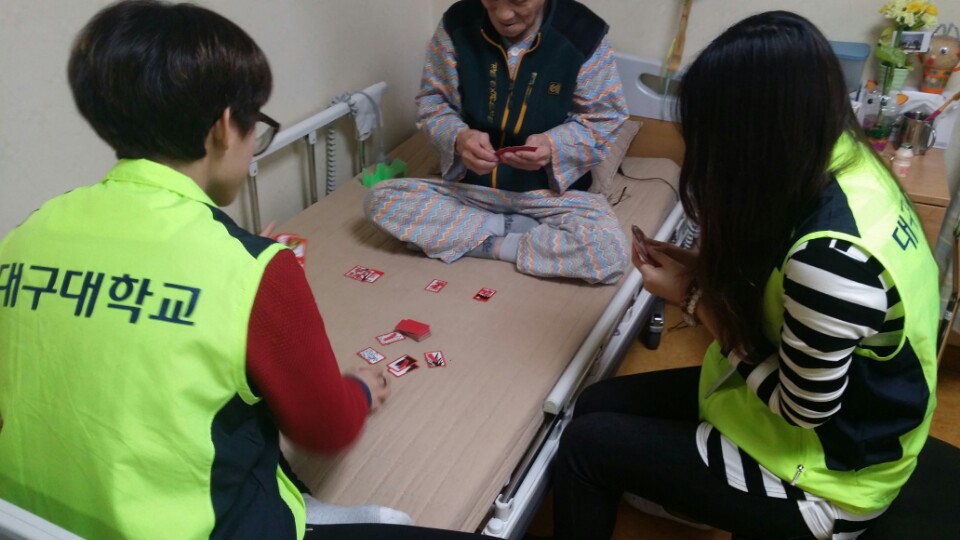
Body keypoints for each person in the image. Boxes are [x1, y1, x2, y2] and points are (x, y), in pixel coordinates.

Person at [0, 2, 480, 539]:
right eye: (257, 124)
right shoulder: (252, 270)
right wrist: (360, 388)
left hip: (29, 523)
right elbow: (326, 428)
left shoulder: (27, 234)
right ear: (226, 128)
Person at [551, 11, 939, 540]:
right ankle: (680, 489)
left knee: (584, 447)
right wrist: (702, 271)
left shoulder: (831, 259)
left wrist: (693, 298)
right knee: (595, 404)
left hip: (827, 477)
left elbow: (800, 410)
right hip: (826, 407)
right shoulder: (846, 159)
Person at [364, 0, 630, 285]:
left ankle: (475, 239)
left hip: (551, 198)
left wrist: (553, 145)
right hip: (471, 191)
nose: (503, 14)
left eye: (519, 1)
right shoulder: (457, 24)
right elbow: (433, 102)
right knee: (381, 201)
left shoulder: (584, 34)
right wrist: (458, 137)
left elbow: (603, 118)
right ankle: (506, 233)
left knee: (608, 254)